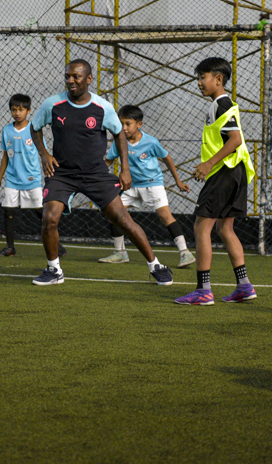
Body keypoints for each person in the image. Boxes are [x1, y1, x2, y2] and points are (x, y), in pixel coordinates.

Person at [29, 59, 173, 287]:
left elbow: (119, 135)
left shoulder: (102, 107)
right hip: (62, 173)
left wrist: (125, 169)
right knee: (49, 218)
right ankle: (54, 270)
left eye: (76, 77)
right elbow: (34, 128)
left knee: (123, 219)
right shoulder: (52, 104)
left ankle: (156, 265)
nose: (70, 81)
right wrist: (44, 154)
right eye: (67, 76)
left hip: (95, 173)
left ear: (88, 79)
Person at [174, 57, 256, 306]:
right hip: (236, 171)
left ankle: (203, 290)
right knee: (224, 228)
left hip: (224, 172)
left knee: (201, 227)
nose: (199, 83)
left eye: (203, 77)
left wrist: (209, 164)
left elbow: (235, 139)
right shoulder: (221, 104)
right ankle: (244, 286)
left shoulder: (221, 104)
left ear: (218, 79)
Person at [99, 105, 195, 269]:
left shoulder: (150, 142)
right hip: (130, 186)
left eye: (128, 124)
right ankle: (120, 252)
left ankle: (185, 252)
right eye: (121, 123)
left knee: (165, 217)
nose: (124, 128)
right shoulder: (119, 142)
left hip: (152, 185)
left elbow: (167, 158)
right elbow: (107, 161)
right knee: (113, 214)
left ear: (139, 124)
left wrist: (178, 181)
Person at [0, 94, 65, 258]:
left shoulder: (34, 130)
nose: (17, 113)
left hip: (31, 180)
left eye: (21, 110)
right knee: (9, 211)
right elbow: (5, 156)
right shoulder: (7, 130)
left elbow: (43, 153)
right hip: (12, 179)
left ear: (28, 111)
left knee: (41, 212)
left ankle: (56, 243)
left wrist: (50, 170)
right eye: (14, 110)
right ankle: (10, 248)